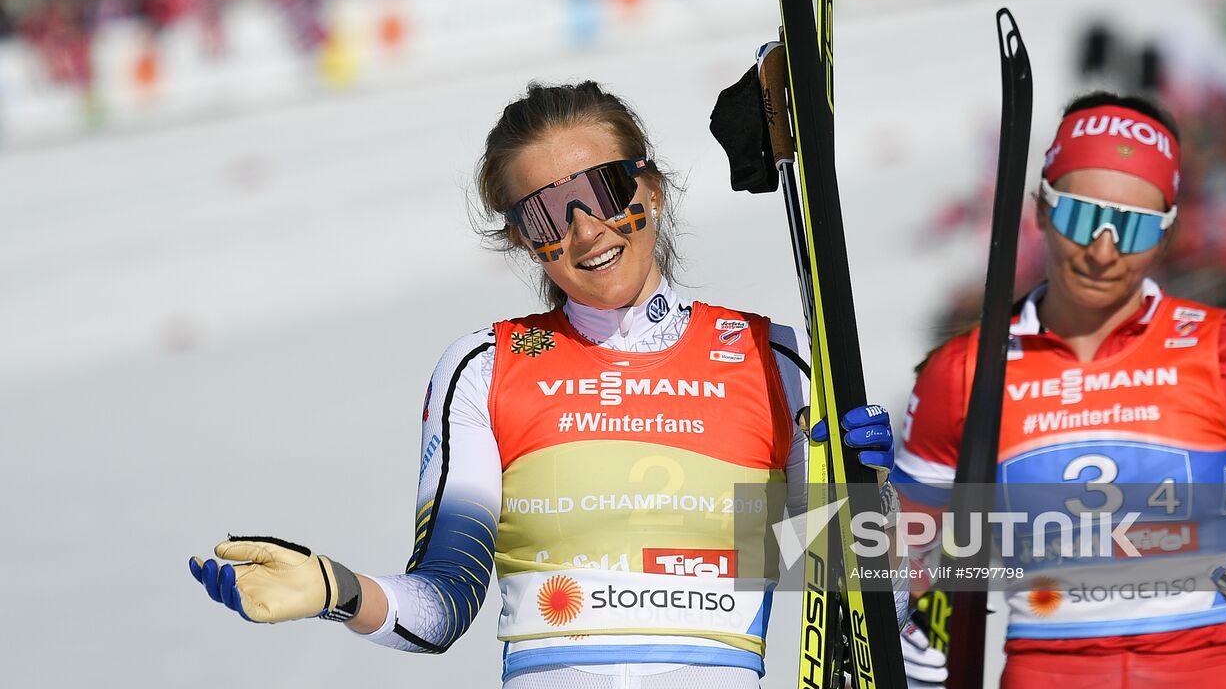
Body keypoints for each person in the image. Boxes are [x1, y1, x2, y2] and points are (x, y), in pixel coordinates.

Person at [189, 80, 899, 687]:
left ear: (649, 188)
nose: (587, 230)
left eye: (605, 188)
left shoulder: (770, 356)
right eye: (546, 215)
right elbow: (441, 606)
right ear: (522, 241)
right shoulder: (489, 366)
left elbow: (863, 591)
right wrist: (334, 591)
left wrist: (875, 500)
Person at [894, 91, 1226, 689]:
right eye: (1080, 215)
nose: (1103, 251)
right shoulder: (965, 372)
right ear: (1040, 212)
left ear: (1167, 235)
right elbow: (901, 550)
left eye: (1133, 228)